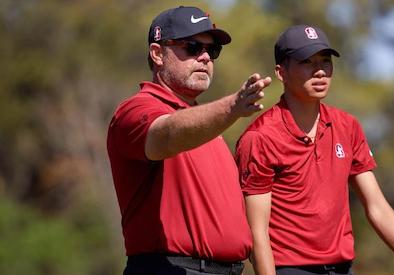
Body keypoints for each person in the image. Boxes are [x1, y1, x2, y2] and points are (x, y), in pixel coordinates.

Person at [235, 25, 394, 275]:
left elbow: (377, 207)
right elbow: (258, 233)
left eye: (325, 61)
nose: (320, 71)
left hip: (342, 269)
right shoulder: (260, 137)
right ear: (281, 72)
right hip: (291, 270)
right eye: (307, 62)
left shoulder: (347, 126)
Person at [107, 6, 271, 275]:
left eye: (213, 50)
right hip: (170, 268)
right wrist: (232, 107)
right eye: (193, 47)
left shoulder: (207, 125)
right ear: (158, 54)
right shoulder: (135, 110)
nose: (205, 57)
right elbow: (167, 135)